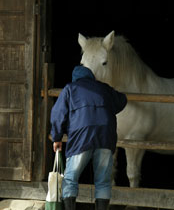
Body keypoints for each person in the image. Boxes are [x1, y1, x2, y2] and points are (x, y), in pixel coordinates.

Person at [50, 65, 127, 210]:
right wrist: (106, 108)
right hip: (105, 135)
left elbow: (57, 114)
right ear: (91, 77)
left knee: (71, 178)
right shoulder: (104, 88)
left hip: (82, 136)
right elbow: (122, 100)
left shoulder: (70, 89)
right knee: (103, 181)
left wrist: (57, 137)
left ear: (75, 78)